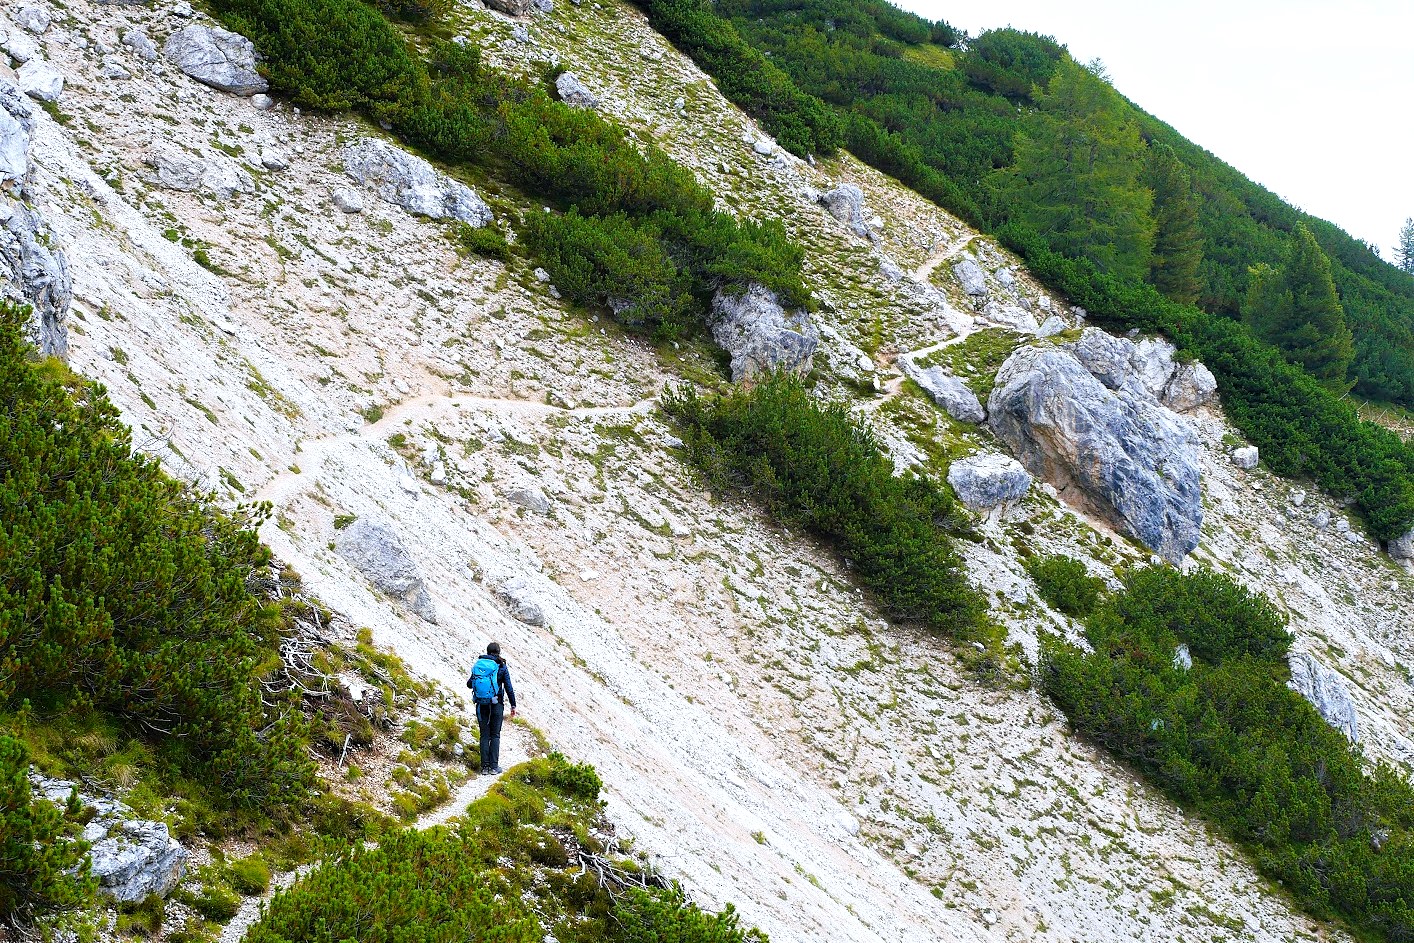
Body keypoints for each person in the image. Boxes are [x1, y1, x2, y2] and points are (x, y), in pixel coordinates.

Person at [467, 641, 517, 774]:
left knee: (484, 735)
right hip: (497, 704)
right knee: (495, 735)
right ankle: (494, 767)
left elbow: (469, 684)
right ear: (499, 652)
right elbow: (508, 687)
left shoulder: (479, 665)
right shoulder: (501, 666)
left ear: (487, 651)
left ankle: (484, 767)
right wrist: (513, 705)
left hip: (481, 704)